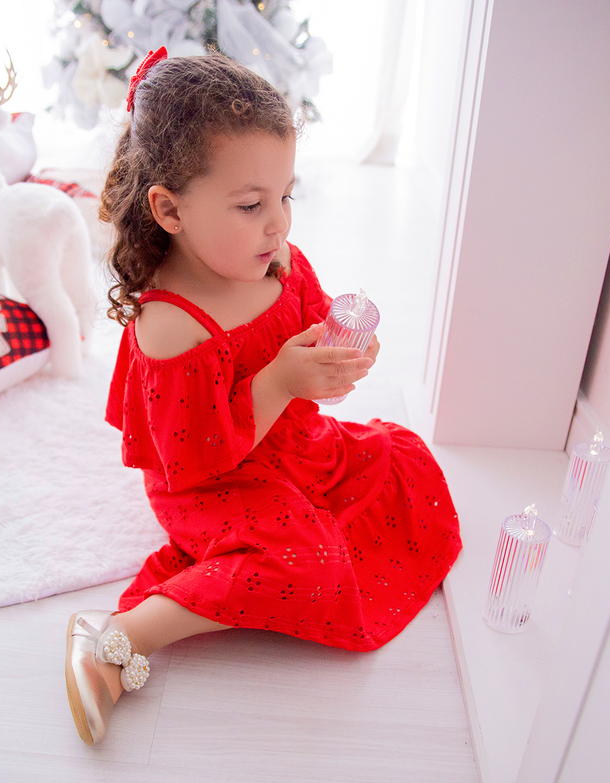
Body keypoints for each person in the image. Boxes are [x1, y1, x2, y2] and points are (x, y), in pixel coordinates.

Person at [64, 48, 462, 745]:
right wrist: (279, 382)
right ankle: (122, 635)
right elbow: (198, 458)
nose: (279, 224)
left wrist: (338, 350)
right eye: (251, 205)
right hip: (214, 483)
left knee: (401, 460)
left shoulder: (274, 259)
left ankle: (229, 570)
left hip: (292, 449)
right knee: (309, 563)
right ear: (170, 209)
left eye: (286, 196)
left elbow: (311, 321)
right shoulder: (173, 324)